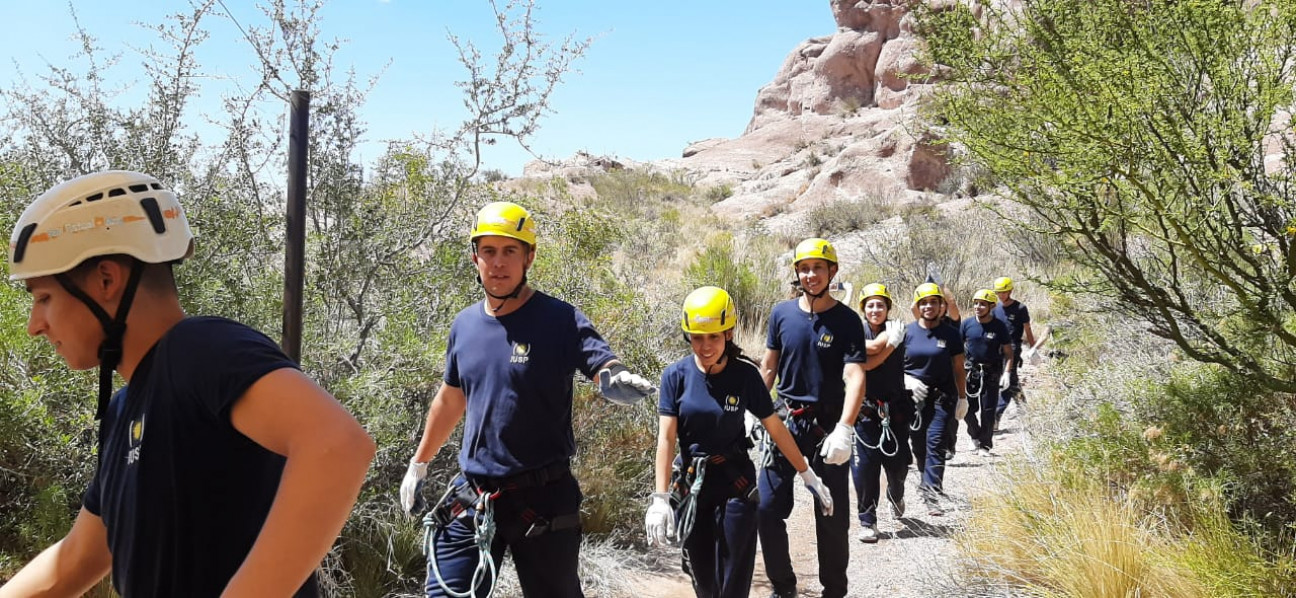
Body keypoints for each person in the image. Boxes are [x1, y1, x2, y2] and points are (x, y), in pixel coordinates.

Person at [1, 170, 376, 597]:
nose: (35, 326)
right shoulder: (125, 410)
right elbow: (75, 559)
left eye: (43, 298)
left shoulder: (199, 349)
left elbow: (338, 445)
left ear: (107, 280)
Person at [398, 201, 656, 598]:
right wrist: (419, 463)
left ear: (529, 257)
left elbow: (601, 363)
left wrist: (614, 377)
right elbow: (451, 399)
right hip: (474, 494)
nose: (498, 263)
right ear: (475, 257)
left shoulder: (560, 319)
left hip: (542, 499)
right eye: (489, 251)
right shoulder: (465, 326)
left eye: (510, 251)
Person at [645, 286, 832, 598]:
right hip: (693, 486)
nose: (705, 346)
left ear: (728, 333)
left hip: (736, 484)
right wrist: (660, 498)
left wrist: (806, 473)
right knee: (706, 584)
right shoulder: (675, 376)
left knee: (733, 584)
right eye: (697, 337)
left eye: (714, 337)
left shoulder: (745, 376)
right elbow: (666, 439)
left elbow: (775, 428)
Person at [757, 238, 866, 598]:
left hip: (827, 427)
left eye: (818, 267)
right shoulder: (781, 314)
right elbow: (769, 366)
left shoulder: (848, 320)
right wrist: (751, 408)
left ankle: (834, 591)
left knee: (831, 516)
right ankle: (783, 587)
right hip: (785, 422)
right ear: (797, 273)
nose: (811, 274)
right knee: (768, 508)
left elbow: (855, 376)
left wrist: (846, 428)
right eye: (804, 268)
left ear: (832, 272)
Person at [850, 283, 913, 543]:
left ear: (888, 308)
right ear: (864, 308)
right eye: (871, 305)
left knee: (898, 465)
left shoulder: (900, 331)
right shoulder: (855, 333)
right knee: (865, 467)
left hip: (895, 409)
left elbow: (917, 355)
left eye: (881, 304)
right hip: (865, 410)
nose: (876, 309)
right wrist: (886, 343)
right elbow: (866, 356)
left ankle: (896, 493)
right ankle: (868, 520)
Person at [902, 283, 966, 516]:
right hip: (914, 399)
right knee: (918, 444)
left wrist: (962, 397)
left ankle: (931, 493)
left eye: (934, 302)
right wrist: (906, 380)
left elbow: (959, 367)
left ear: (941, 306)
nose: (929, 306)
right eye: (924, 302)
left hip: (942, 398)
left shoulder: (950, 334)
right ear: (917, 306)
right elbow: (893, 367)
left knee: (936, 442)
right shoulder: (906, 333)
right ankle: (924, 476)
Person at [960, 289, 1014, 457]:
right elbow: (957, 349)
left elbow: (1008, 352)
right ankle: (974, 435)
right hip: (971, 373)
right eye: (976, 303)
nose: (978, 307)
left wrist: (1007, 373)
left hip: (991, 373)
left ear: (991, 306)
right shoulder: (967, 324)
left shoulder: (999, 327)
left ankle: (985, 445)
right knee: (966, 408)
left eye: (982, 304)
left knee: (988, 411)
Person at [991, 277, 1036, 429]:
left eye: (1004, 292)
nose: (1001, 295)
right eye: (998, 292)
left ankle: (996, 416)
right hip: (997, 349)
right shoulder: (994, 308)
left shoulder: (1020, 308)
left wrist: (1033, 348)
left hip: (1013, 349)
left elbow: (1027, 328)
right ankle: (1024, 409)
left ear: (1010, 291)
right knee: (1011, 381)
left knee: (1007, 381)